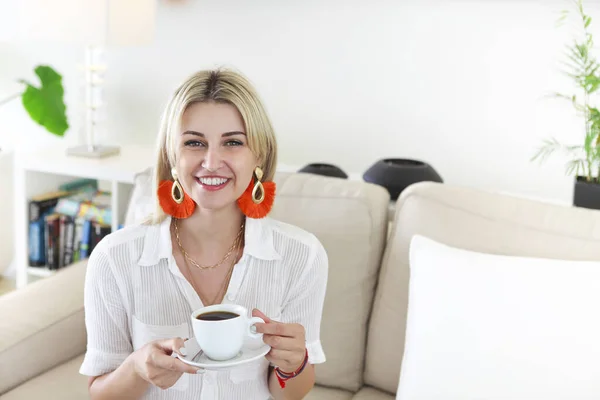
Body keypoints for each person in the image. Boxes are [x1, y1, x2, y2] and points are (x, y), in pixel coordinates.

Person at [79, 68, 329, 399]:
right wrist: (138, 368)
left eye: (233, 143)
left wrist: (293, 364)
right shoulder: (114, 258)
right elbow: (101, 394)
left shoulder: (302, 255)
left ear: (260, 154)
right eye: (194, 142)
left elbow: (290, 393)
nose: (211, 162)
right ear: (171, 156)